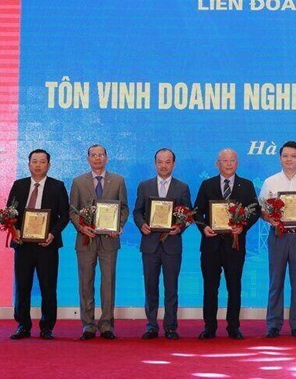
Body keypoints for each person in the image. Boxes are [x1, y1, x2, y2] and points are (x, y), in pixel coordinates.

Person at [194, 148, 260, 339]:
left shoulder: (246, 185)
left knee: (234, 286)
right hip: (211, 245)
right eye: (225, 160)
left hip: (235, 245)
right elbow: (197, 211)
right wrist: (203, 227)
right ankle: (209, 327)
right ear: (218, 164)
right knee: (210, 287)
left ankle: (233, 327)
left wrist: (244, 226)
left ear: (237, 163)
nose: (229, 163)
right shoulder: (207, 185)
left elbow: (254, 211)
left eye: (232, 160)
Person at [7, 149, 70, 340]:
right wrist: (14, 230)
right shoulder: (19, 185)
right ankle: (23, 325)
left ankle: (47, 327)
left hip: (47, 245)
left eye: (42, 162)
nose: (38, 165)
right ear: (28, 164)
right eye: (34, 161)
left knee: (48, 287)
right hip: (23, 245)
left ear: (48, 165)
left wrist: (52, 234)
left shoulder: (57, 186)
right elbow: (11, 212)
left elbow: (64, 215)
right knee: (22, 286)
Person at [69, 144, 129, 340]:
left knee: (108, 282)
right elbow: (73, 210)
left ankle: (106, 325)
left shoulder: (118, 181)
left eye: (101, 155)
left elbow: (124, 209)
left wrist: (118, 226)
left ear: (107, 158)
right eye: (93, 155)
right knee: (86, 283)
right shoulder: (78, 182)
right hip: (86, 240)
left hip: (109, 241)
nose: (97, 158)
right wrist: (81, 227)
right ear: (88, 159)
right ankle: (88, 325)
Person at [260, 141, 296, 338]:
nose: (289, 159)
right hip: (278, 235)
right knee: (275, 281)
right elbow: (262, 211)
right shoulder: (270, 182)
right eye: (285, 156)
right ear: (280, 158)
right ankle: (274, 324)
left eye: (293, 156)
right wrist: (271, 217)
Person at [132, 148, 192, 340]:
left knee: (171, 287)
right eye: (160, 161)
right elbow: (137, 211)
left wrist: (180, 227)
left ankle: (170, 327)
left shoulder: (182, 187)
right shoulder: (144, 186)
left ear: (174, 164)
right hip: (149, 244)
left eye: (168, 162)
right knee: (150, 286)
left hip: (172, 245)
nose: (164, 165)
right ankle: (151, 326)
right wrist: (142, 224)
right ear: (155, 163)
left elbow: (188, 214)